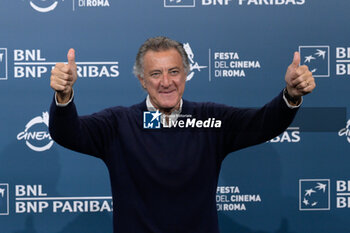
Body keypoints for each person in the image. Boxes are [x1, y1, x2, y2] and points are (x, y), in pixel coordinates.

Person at [49, 36, 315, 233]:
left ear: (186, 74)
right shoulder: (119, 123)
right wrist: (64, 96)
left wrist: (290, 95)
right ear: (142, 80)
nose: (166, 82)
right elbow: (69, 133)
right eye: (156, 74)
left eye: (174, 71)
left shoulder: (209, 119)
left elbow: (262, 124)